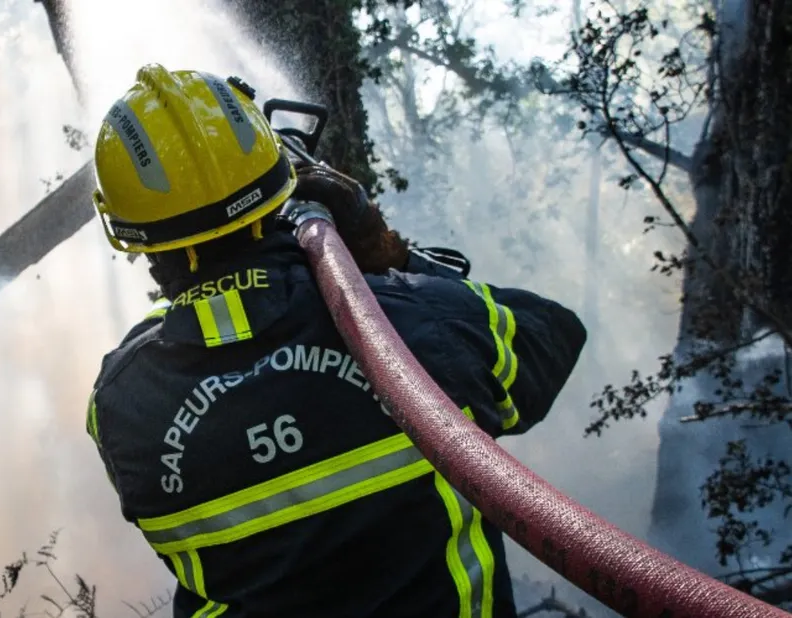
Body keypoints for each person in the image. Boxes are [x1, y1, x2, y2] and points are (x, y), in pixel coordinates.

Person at [84, 63, 587, 618]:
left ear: (131, 236)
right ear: (282, 181)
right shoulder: (410, 320)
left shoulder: (121, 406)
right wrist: (387, 253)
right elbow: (553, 337)